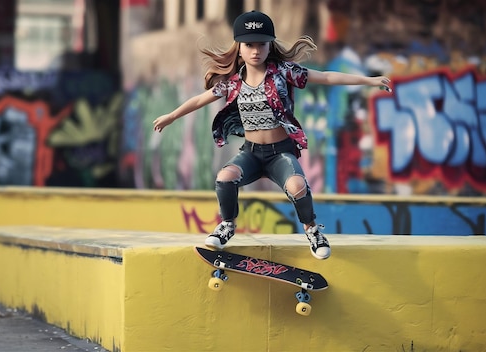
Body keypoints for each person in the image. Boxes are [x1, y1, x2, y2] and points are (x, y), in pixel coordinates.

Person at [152, 11, 391, 260]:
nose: (256, 51)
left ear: (270, 45)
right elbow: (200, 99)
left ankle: (313, 231)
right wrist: (171, 116)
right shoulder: (233, 82)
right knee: (224, 177)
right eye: (249, 45)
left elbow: (327, 77)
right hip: (251, 154)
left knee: (298, 186)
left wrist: (369, 80)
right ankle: (227, 225)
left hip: (281, 154)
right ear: (239, 48)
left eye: (262, 45)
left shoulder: (283, 72)